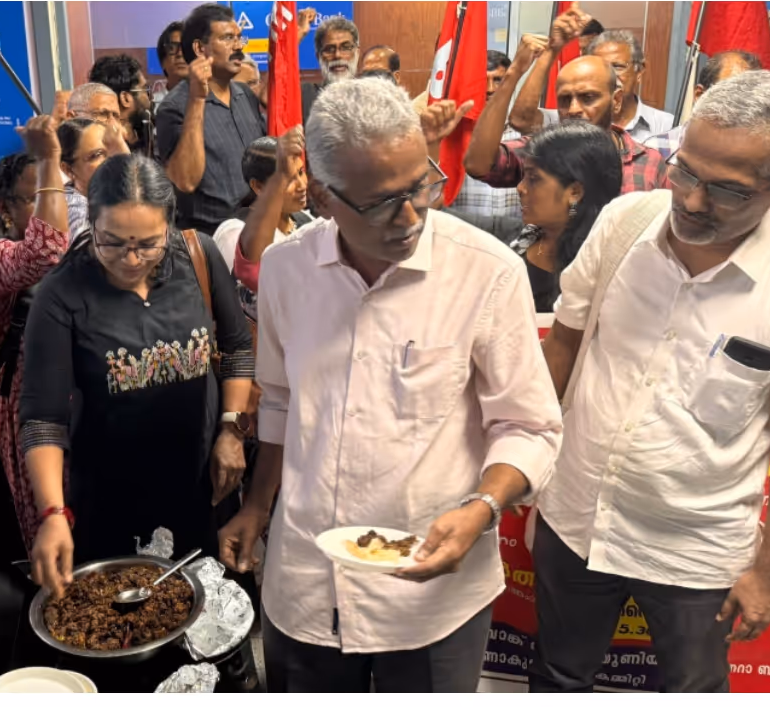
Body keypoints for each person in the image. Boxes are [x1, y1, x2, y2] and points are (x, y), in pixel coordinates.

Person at [217, 78, 563, 693]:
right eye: (381, 202)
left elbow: (529, 425)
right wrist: (256, 505)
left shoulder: (485, 274)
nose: (409, 218)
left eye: (420, 187)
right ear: (322, 194)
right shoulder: (287, 270)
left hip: (431, 593)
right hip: (306, 582)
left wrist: (482, 507)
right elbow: (280, 401)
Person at [535, 70, 770, 693]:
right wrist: (528, 456)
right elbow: (566, 345)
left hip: (695, 548)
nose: (690, 201)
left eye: (727, 190)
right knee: (558, 675)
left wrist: (768, 572)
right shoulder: (625, 223)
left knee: (692, 689)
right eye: (684, 171)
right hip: (575, 517)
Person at [21, 154, 255, 598]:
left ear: (169, 225)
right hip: (112, 501)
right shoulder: (62, 293)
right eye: (111, 242)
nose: (131, 258)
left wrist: (231, 429)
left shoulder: (197, 256)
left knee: (210, 623)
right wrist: (53, 512)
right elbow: (42, 418)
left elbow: (239, 348)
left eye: (148, 243)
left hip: (202, 486)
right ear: (90, 222)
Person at [0, 116, 71, 553]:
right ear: (4, 209)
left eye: (64, 194)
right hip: (26, 411)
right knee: (54, 523)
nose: (60, 207)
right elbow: (46, 250)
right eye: (38, 198)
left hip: (76, 398)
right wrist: (49, 158)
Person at [466, 36, 665, 194]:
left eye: (588, 97)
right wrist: (513, 73)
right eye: (564, 100)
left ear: (616, 101)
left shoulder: (649, 163)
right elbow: (478, 164)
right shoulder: (541, 151)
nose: (573, 109)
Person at [464, 121, 622, 313]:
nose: (520, 188)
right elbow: (441, 219)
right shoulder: (516, 237)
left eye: (533, 179)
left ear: (574, 192)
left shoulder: (608, 271)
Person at [156, 3, 266, 235]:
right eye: (227, 38)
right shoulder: (174, 106)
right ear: (199, 48)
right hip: (212, 239)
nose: (238, 46)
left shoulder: (244, 94)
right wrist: (197, 99)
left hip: (258, 227)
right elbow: (184, 181)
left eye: (239, 38)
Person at [511, 10, 674, 142]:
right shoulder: (570, 117)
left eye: (617, 66)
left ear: (639, 71)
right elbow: (521, 120)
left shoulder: (666, 125)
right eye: (600, 66)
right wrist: (551, 51)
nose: (609, 74)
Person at [214, 132, 311, 294]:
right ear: (258, 186)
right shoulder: (234, 234)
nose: (301, 186)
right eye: (289, 180)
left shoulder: (306, 219)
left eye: (301, 173)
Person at [450, 50, 523, 220]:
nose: (490, 89)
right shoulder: (454, 134)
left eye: (498, 80)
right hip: (465, 236)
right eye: (483, 81)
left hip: (514, 237)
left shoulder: (524, 132)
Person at [58, 117, 130, 240]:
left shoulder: (107, 197)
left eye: (114, 150)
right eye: (97, 155)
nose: (111, 160)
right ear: (68, 169)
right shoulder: (73, 210)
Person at [301, 16, 361, 129]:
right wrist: (296, 35)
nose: (338, 55)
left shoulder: (370, 96)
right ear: (318, 56)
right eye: (329, 49)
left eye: (346, 48)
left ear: (357, 52)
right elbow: (270, 96)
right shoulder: (305, 95)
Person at [88, 54, 153, 152]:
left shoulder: (145, 131)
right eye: (144, 89)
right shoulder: (103, 148)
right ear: (125, 99)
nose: (149, 98)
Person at [154, 21, 189, 105]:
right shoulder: (153, 104)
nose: (180, 54)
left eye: (186, 47)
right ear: (162, 62)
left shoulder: (212, 102)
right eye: (172, 48)